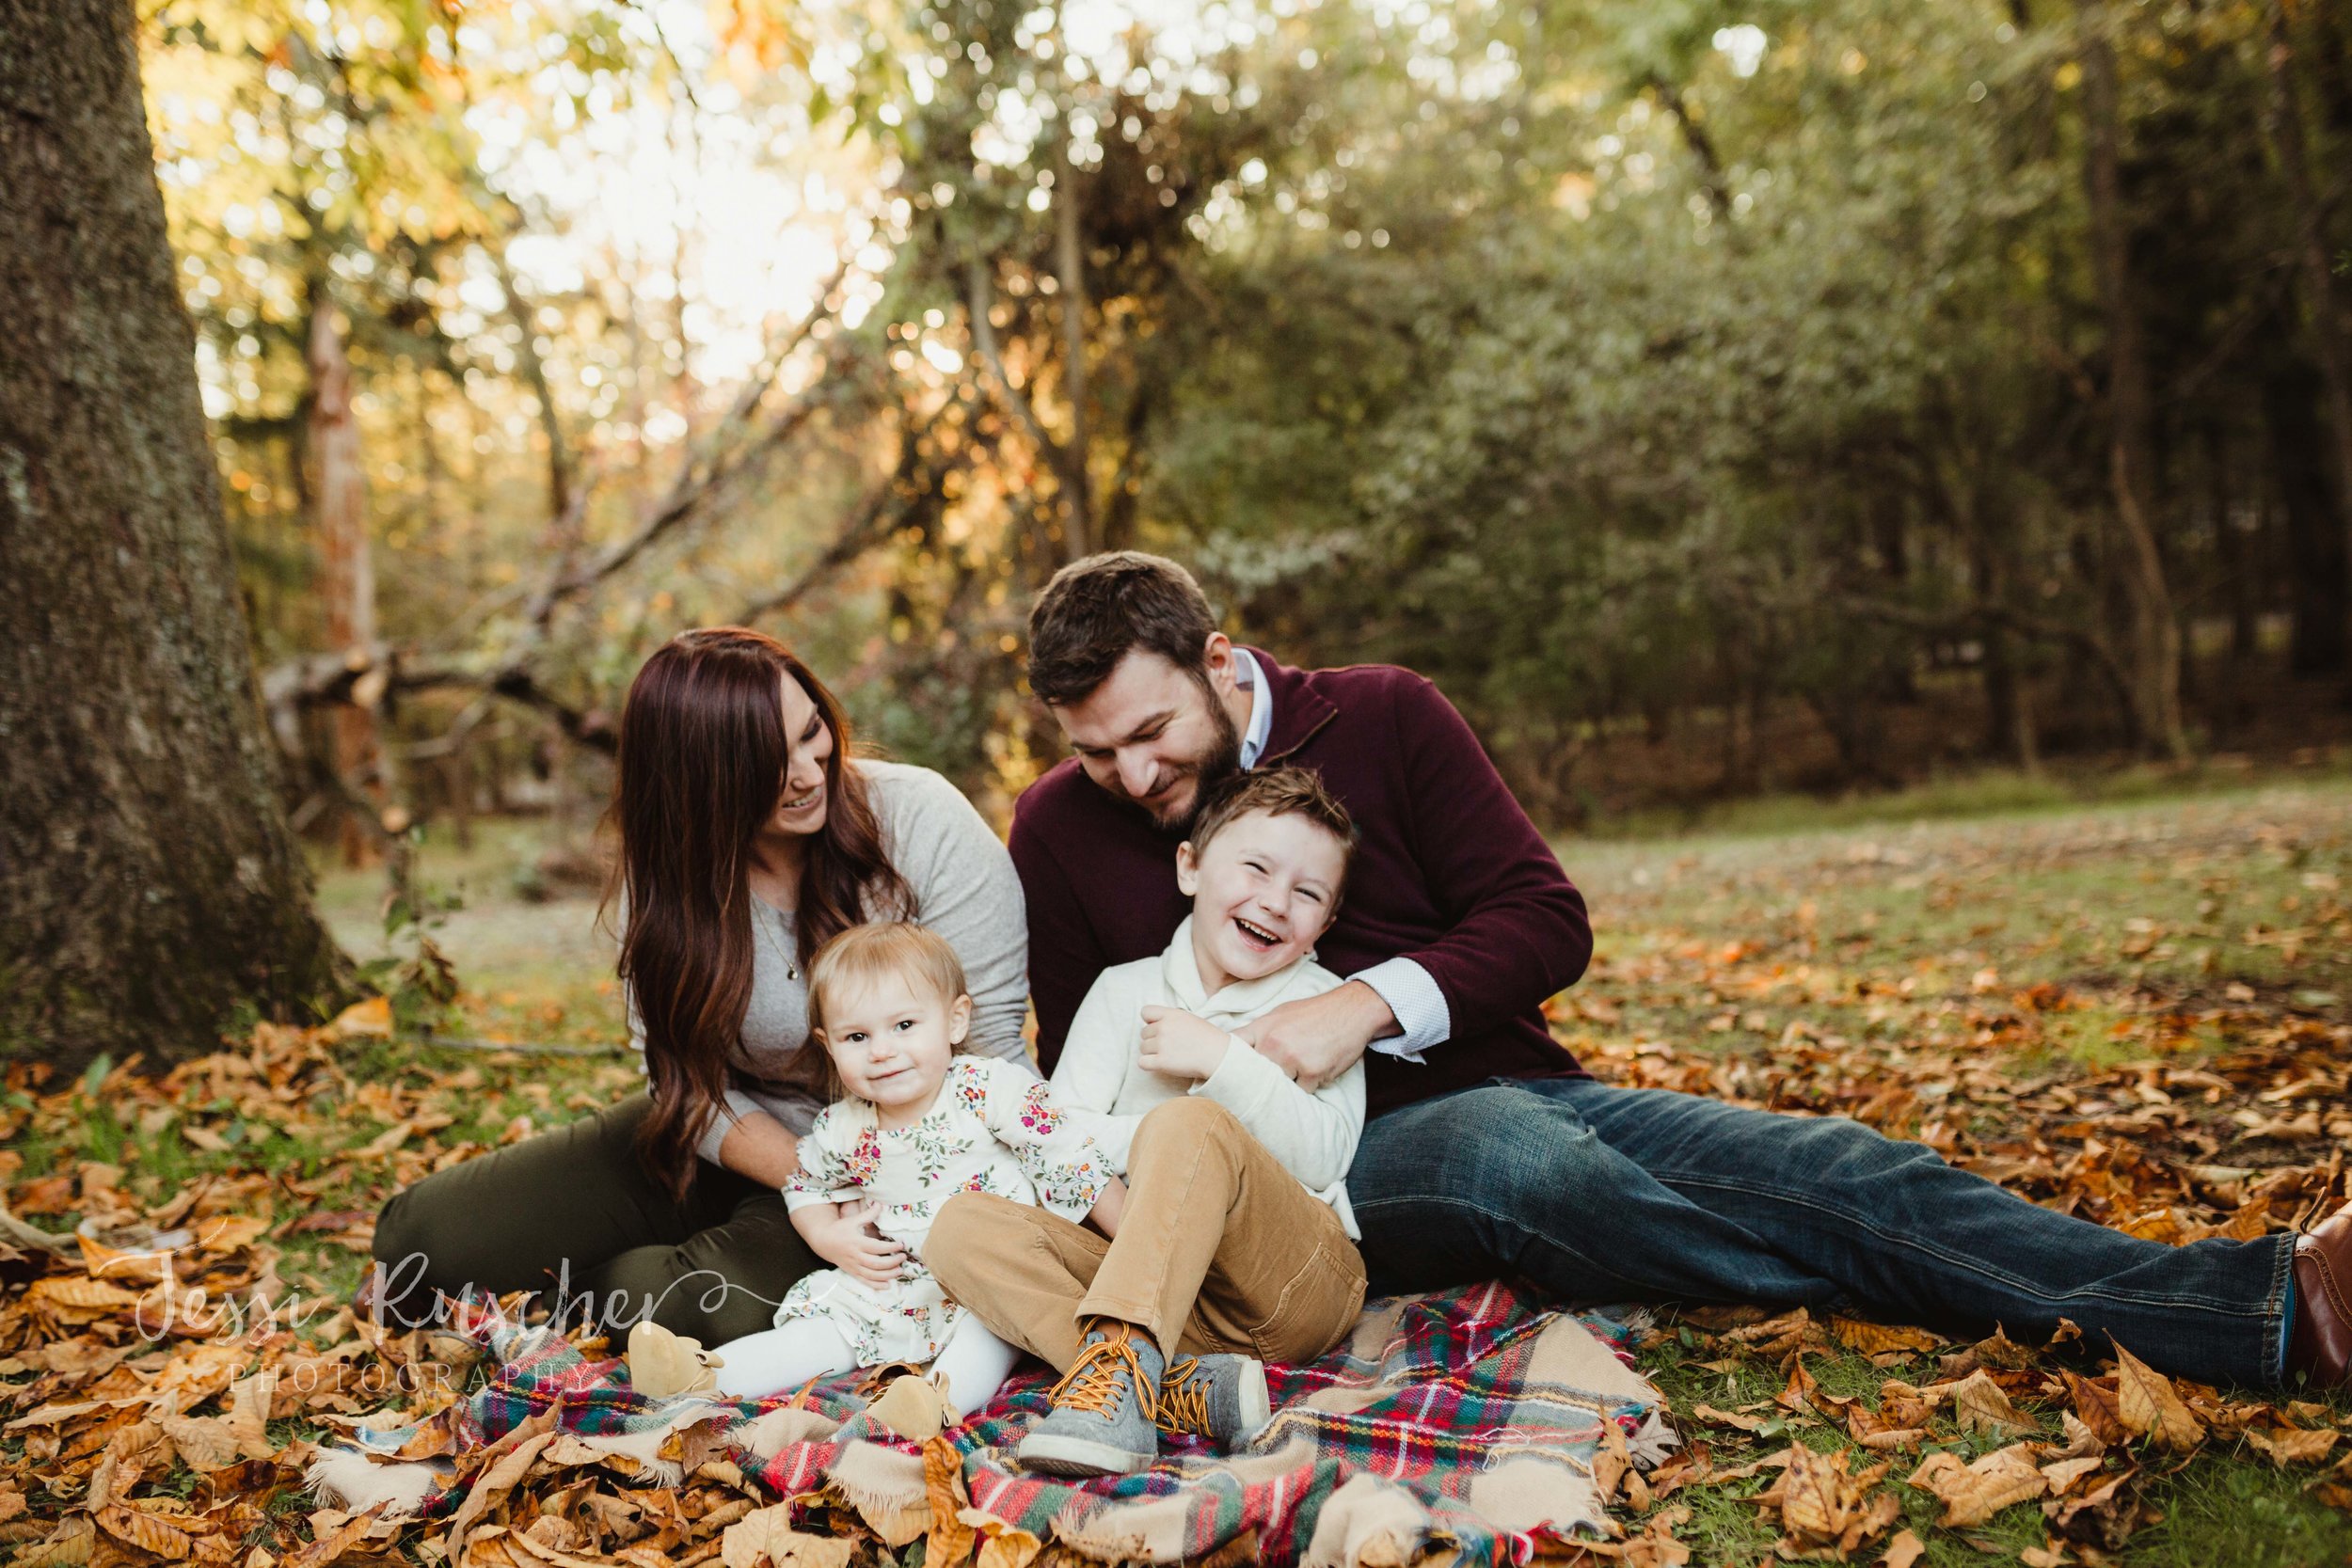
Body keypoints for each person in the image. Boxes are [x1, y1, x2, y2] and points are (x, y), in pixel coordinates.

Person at [1006, 551, 2350, 1392]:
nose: (1132, 778)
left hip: (1495, 1080)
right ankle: (1902, 1273)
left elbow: (1544, 916)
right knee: (1518, 1164)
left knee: (1830, 1160)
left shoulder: (1391, 713)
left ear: (1221, 662)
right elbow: (1082, 1063)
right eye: (1094, 750)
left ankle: (2267, 1302)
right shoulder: (1061, 827)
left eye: (1149, 731)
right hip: (1296, 1173)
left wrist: (1354, 1004)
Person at [366, 627, 1031, 1344]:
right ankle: (601, 1265)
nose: (808, 772)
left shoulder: (923, 822)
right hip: (731, 1139)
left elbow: (986, 1052)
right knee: (420, 1239)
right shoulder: (667, 877)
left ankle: (596, 1291)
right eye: (767, 764)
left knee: (697, 1304)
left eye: (812, 733)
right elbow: (681, 1077)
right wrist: (810, 1179)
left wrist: (867, 1195)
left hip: (902, 1164)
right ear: (695, 779)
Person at [927, 767, 1370, 1477]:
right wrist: (1170, 1145)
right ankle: (1179, 1388)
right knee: (957, 1225)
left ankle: (1120, 1382)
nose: (1276, 902)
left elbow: (1324, 1156)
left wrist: (1222, 1061)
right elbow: (1056, 1139)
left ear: (1327, 923)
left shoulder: (1324, 1003)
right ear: (1191, 867)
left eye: (1308, 893)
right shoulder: (1122, 990)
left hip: (1290, 1286)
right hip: (1168, 1297)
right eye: (1255, 867)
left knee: (1189, 1124)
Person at [705, 924, 1118, 1417]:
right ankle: (707, 1373)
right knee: (823, 1329)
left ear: (955, 1021)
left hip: (997, 1280)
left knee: (985, 1336)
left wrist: (1133, 1254)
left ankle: (936, 1402)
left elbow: (1074, 1163)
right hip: (896, 1287)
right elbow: (805, 1184)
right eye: (857, 1036)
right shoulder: (843, 1127)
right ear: (829, 1045)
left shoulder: (986, 1092)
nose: (881, 1050)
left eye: (904, 1026)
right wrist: (828, 1238)